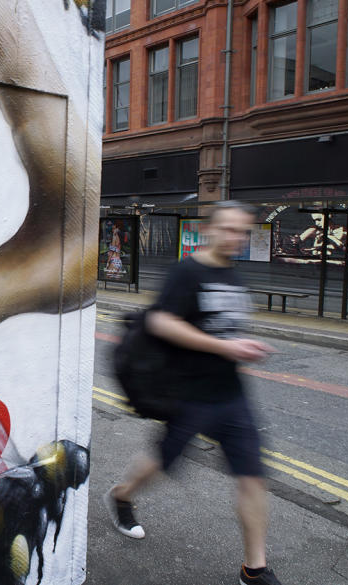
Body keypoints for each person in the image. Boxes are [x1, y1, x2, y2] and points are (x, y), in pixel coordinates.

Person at [104, 200, 283, 585]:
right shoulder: (187, 272)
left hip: (232, 395)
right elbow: (161, 321)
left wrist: (243, 344)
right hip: (189, 394)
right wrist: (226, 347)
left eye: (243, 232)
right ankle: (121, 495)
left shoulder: (233, 275)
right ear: (209, 231)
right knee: (161, 463)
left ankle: (254, 569)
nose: (237, 238)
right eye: (230, 230)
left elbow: (221, 327)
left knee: (253, 476)